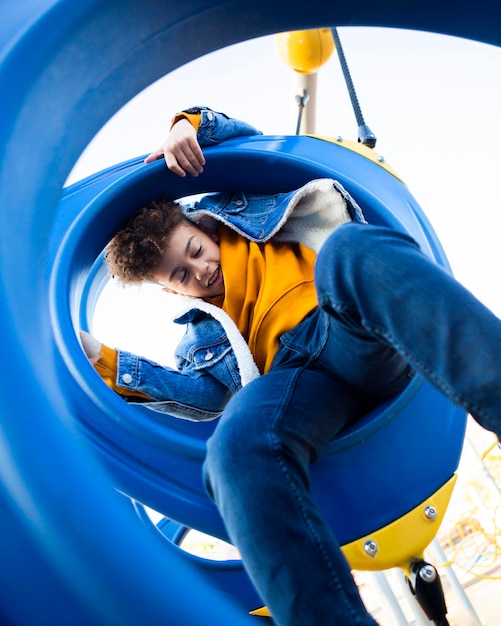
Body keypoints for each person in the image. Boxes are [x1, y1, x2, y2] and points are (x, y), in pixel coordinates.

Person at [81, 106, 501, 626]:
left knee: (351, 247)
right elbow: (203, 395)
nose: (201, 269)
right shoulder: (199, 337)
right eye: (182, 276)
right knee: (232, 447)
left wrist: (187, 126)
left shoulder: (246, 209)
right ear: (169, 290)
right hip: (297, 380)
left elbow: (248, 143)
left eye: (195, 249)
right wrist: (107, 361)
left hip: (349, 323)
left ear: (200, 224)